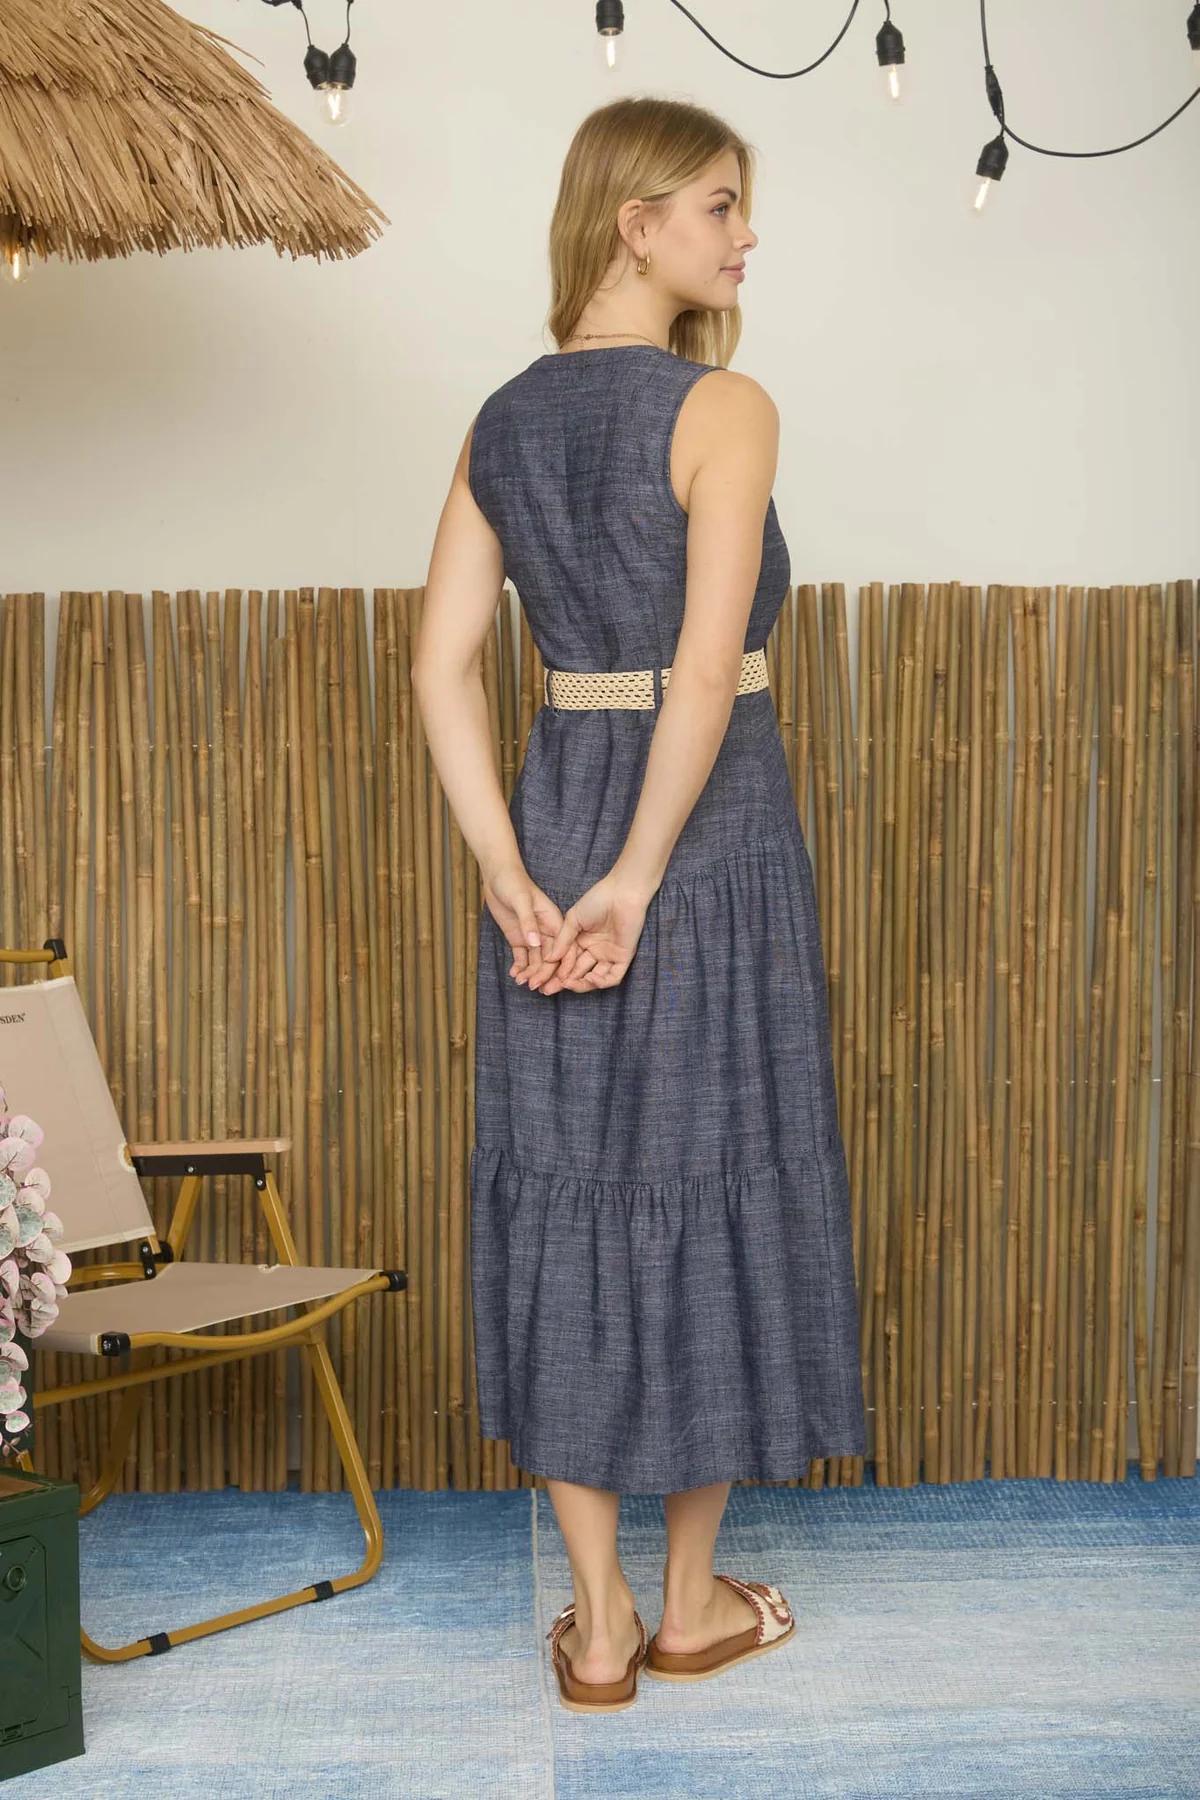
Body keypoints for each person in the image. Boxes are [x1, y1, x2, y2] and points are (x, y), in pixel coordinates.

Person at [414, 95, 866, 1712]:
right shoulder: (725, 406)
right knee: (711, 1170)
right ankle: (689, 1608)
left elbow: (440, 668)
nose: (746, 237)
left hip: (550, 817)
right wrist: (638, 876)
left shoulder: (501, 421)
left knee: (570, 1183)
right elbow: (701, 666)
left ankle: (594, 1625)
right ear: (636, 222)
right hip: (707, 835)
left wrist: (511, 870)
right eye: (723, 205)